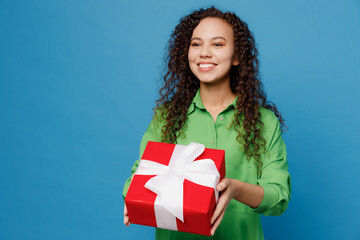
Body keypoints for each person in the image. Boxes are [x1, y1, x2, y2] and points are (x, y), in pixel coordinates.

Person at [123, 6, 291, 240]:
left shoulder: (264, 122)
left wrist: (235, 189)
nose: (204, 53)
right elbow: (137, 176)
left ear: (237, 57)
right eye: (196, 44)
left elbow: (278, 197)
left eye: (218, 44)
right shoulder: (166, 117)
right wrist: (133, 195)